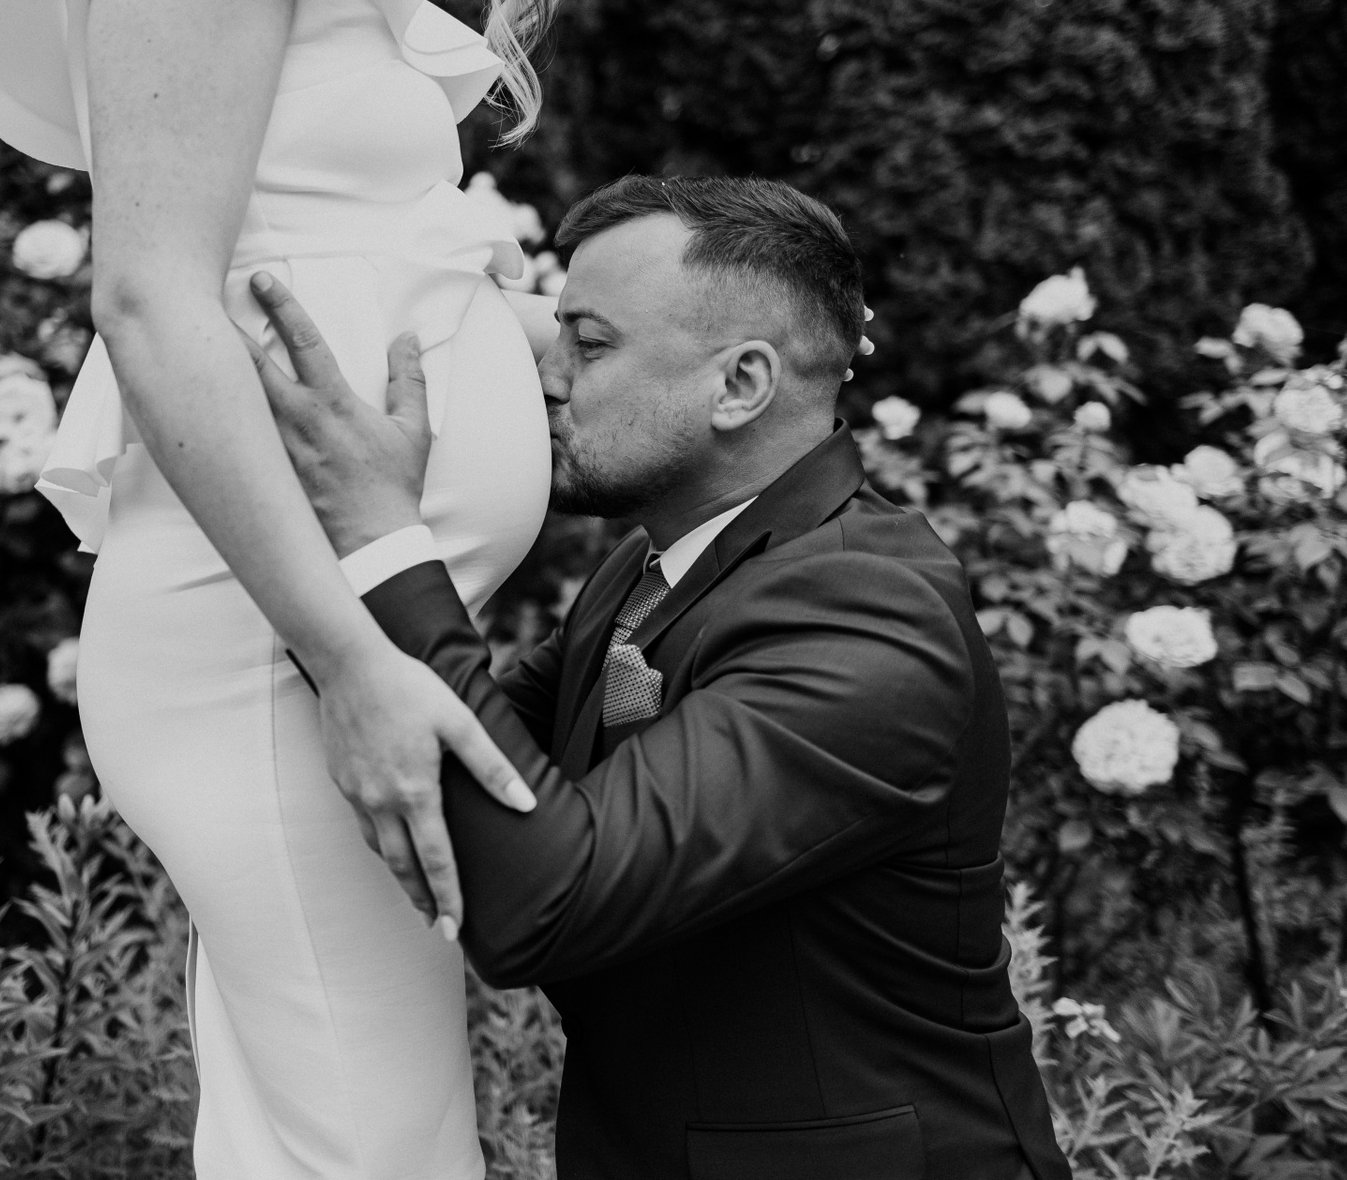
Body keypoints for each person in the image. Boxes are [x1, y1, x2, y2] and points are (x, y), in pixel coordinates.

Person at [0, 0, 567, 1175]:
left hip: (309, 639)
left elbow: (341, 246)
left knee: (327, 1132)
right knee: (373, 1146)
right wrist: (352, 663)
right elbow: (151, 299)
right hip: (277, 649)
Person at [248, 174, 1073, 1180]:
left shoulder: (871, 617)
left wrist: (385, 539)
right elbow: (463, 758)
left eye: (589, 345)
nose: (547, 377)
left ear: (742, 384)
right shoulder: (651, 570)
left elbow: (542, 899)